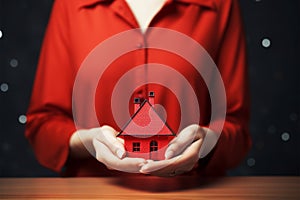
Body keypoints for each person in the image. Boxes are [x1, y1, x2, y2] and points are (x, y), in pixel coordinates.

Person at [25, 0, 251, 177]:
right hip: (93, 192)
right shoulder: (70, 4)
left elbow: (237, 131)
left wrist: (207, 143)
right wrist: (89, 141)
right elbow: (43, 126)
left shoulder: (220, 4)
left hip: (193, 191)